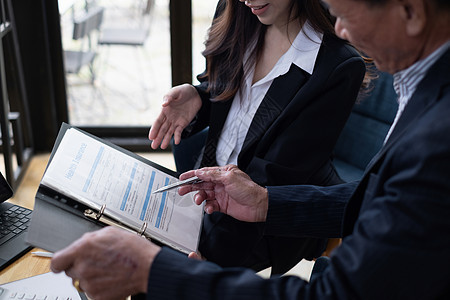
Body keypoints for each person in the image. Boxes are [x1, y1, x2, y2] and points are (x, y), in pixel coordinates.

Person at [51, 0, 450, 299]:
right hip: (236, 198)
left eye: (345, 13)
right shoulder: (421, 90)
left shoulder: (434, 143)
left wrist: (159, 272)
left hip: (258, 228)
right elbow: (379, 194)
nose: (341, 30)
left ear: (411, 12)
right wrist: (264, 201)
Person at [149, 0, 366, 274]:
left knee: (161, 269)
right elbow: (225, 89)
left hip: (265, 213)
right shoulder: (237, 13)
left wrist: (209, 263)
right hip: (210, 182)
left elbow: (270, 182)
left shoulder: (337, 66)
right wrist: (199, 96)